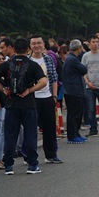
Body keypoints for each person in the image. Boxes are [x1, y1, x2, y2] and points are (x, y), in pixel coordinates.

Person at [0, 37, 48, 175]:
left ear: (13, 49)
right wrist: (29, 90)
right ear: (28, 50)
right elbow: (44, 81)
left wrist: (3, 89)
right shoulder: (32, 65)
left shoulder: (7, 64)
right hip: (29, 104)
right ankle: (32, 164)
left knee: (10, 135)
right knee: (30, 135)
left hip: (11, 104)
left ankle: (8, 165)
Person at [29, 34, 62, 163]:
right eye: (34, 44)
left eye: (39, 43)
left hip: (47, 97)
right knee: (31, 129)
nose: (37, 46)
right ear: (30, 46)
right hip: (32, 98)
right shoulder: (27, 61)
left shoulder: (48, 59)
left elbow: (54, 78)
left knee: (50, 128)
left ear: (43, 44)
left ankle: (51, 155)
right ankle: (30, 156)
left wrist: (54, 96)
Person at [63, 40, 89, 145]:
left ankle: (76, 133)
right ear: (79, 48)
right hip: (74, 90)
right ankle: (72, 135)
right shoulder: (73, 60)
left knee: (77, 113)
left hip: (71, 90)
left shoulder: (69, 59)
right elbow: (83, 70)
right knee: (74, 114)